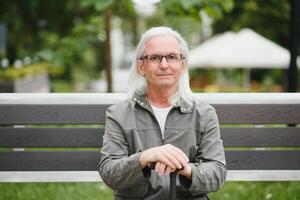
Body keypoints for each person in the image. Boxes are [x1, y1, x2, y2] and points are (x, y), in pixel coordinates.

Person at [99, 26, 227, 200]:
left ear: (183, 65)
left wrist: (184, 168)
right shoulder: (118, 114)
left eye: (172, 57)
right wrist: (144, 157)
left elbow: (217, 174)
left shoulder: (204, 114)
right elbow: (110, 173)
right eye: (154, 58)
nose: (164, 65)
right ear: (141, 66)